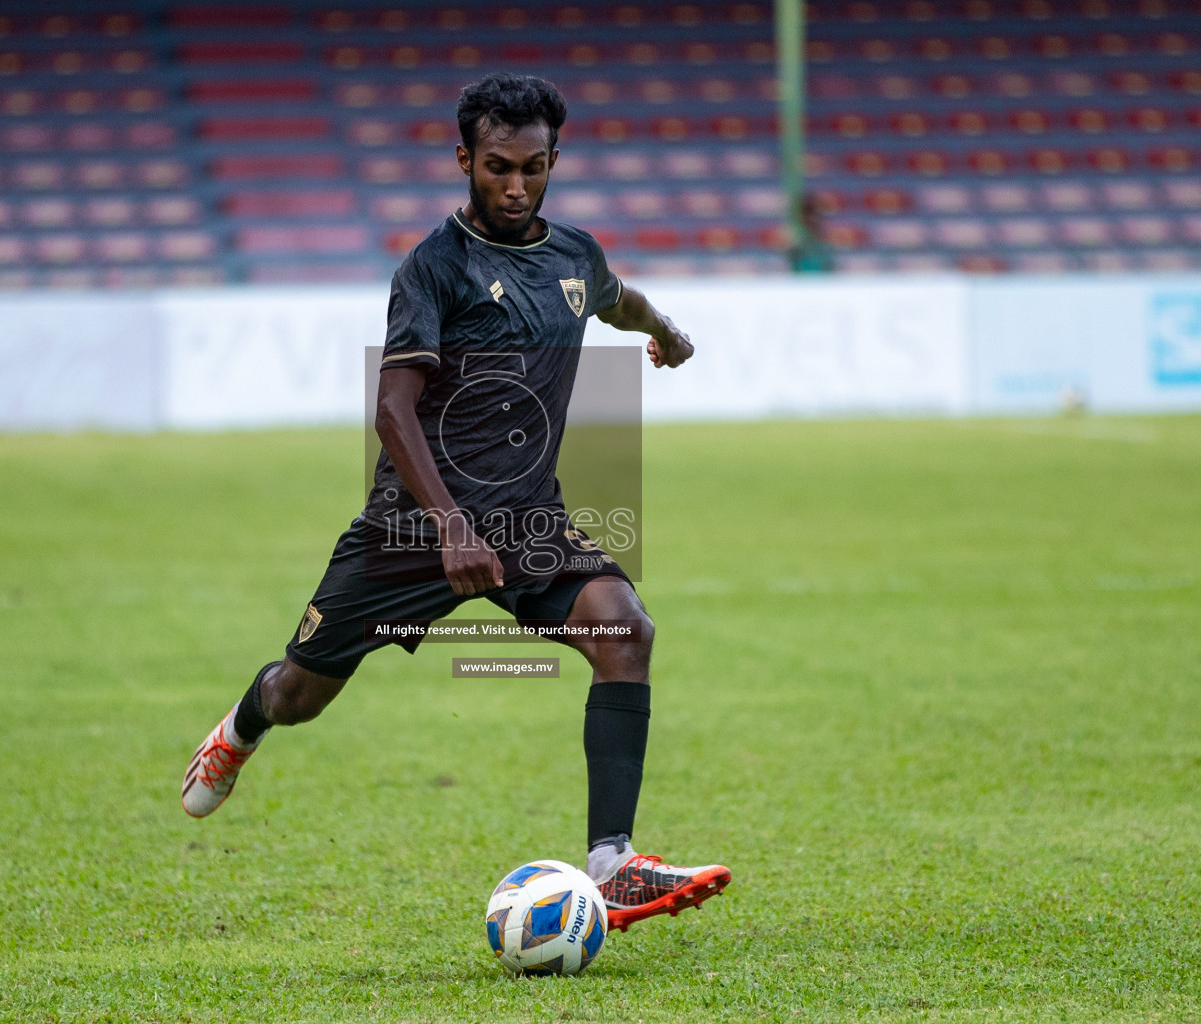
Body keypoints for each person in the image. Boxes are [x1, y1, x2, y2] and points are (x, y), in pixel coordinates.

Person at [181, 72, 730, 932]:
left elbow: (616, 297)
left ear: (555, 160)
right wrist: (449, 526)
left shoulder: (573, 254)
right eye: (498, 167)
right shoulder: (433, 270)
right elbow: (393, 409)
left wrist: (667, 332)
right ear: (465, 160)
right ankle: (242, 727)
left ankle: (613, 863)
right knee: (301, 696)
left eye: (534, 168)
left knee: (626, 630)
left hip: (528, 519)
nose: (516, 187)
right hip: (411, 528)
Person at [787, 193, 835, 274]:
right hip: (801, 275)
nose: (811, 218)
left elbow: (827, 261)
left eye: (813, 214)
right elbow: (792, 258)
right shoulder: (796, 234)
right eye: (807, 214)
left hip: (820, 274)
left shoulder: (822, 236)